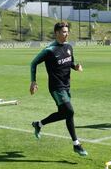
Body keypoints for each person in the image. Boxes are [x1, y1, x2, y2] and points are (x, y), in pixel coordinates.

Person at [29, 22, 87, 156]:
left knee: (65, 113)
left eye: (67, 32)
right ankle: (76, 144)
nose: (66, 34)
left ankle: (39, 124)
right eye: (63, 32)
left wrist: (76, 67)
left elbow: (70, 63)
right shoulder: (49, 50)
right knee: (70, 111)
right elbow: (33, 63)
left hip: (67, 86)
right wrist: (33, 81)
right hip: (56, 87)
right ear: (56, 33)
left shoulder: (69, 47)